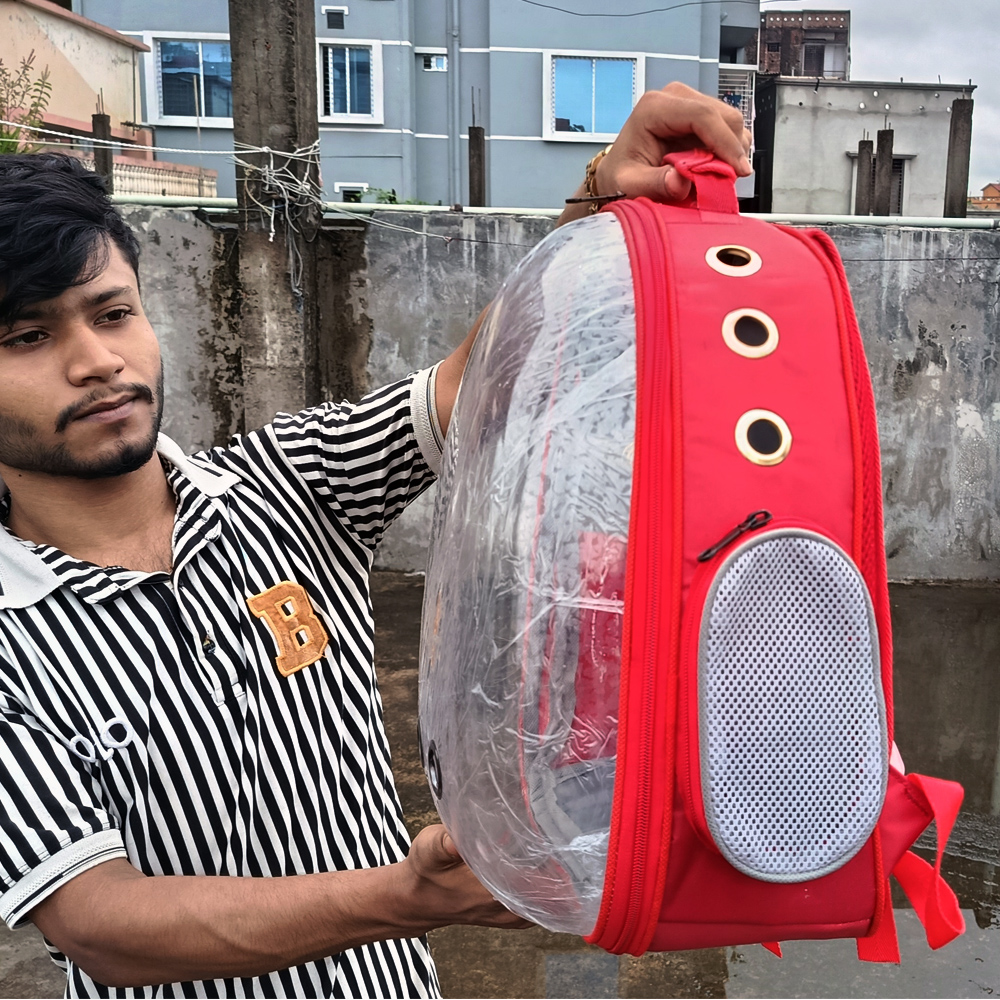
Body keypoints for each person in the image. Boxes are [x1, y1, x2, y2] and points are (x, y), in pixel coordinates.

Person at [0, 82, 749, 999]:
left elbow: (484, 376)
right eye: (28, 336)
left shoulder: (283, 484)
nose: (97, 361)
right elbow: (99, 923)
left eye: (113, 313)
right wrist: (407, 897)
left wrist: (602, 193)